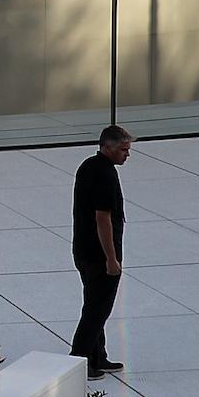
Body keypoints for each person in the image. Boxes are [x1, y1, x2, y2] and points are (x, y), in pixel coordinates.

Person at [70, 125, 133, 378]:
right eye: (123, 150)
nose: (127, 155)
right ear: (107, 147)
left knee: (95, 305)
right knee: (97, 310)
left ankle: (98, 355)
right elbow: (103, 218)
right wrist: (111, 258)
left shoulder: (88, 166)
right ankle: (81, 360)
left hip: (83, 251)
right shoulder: (105, 175)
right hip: (99, 256)